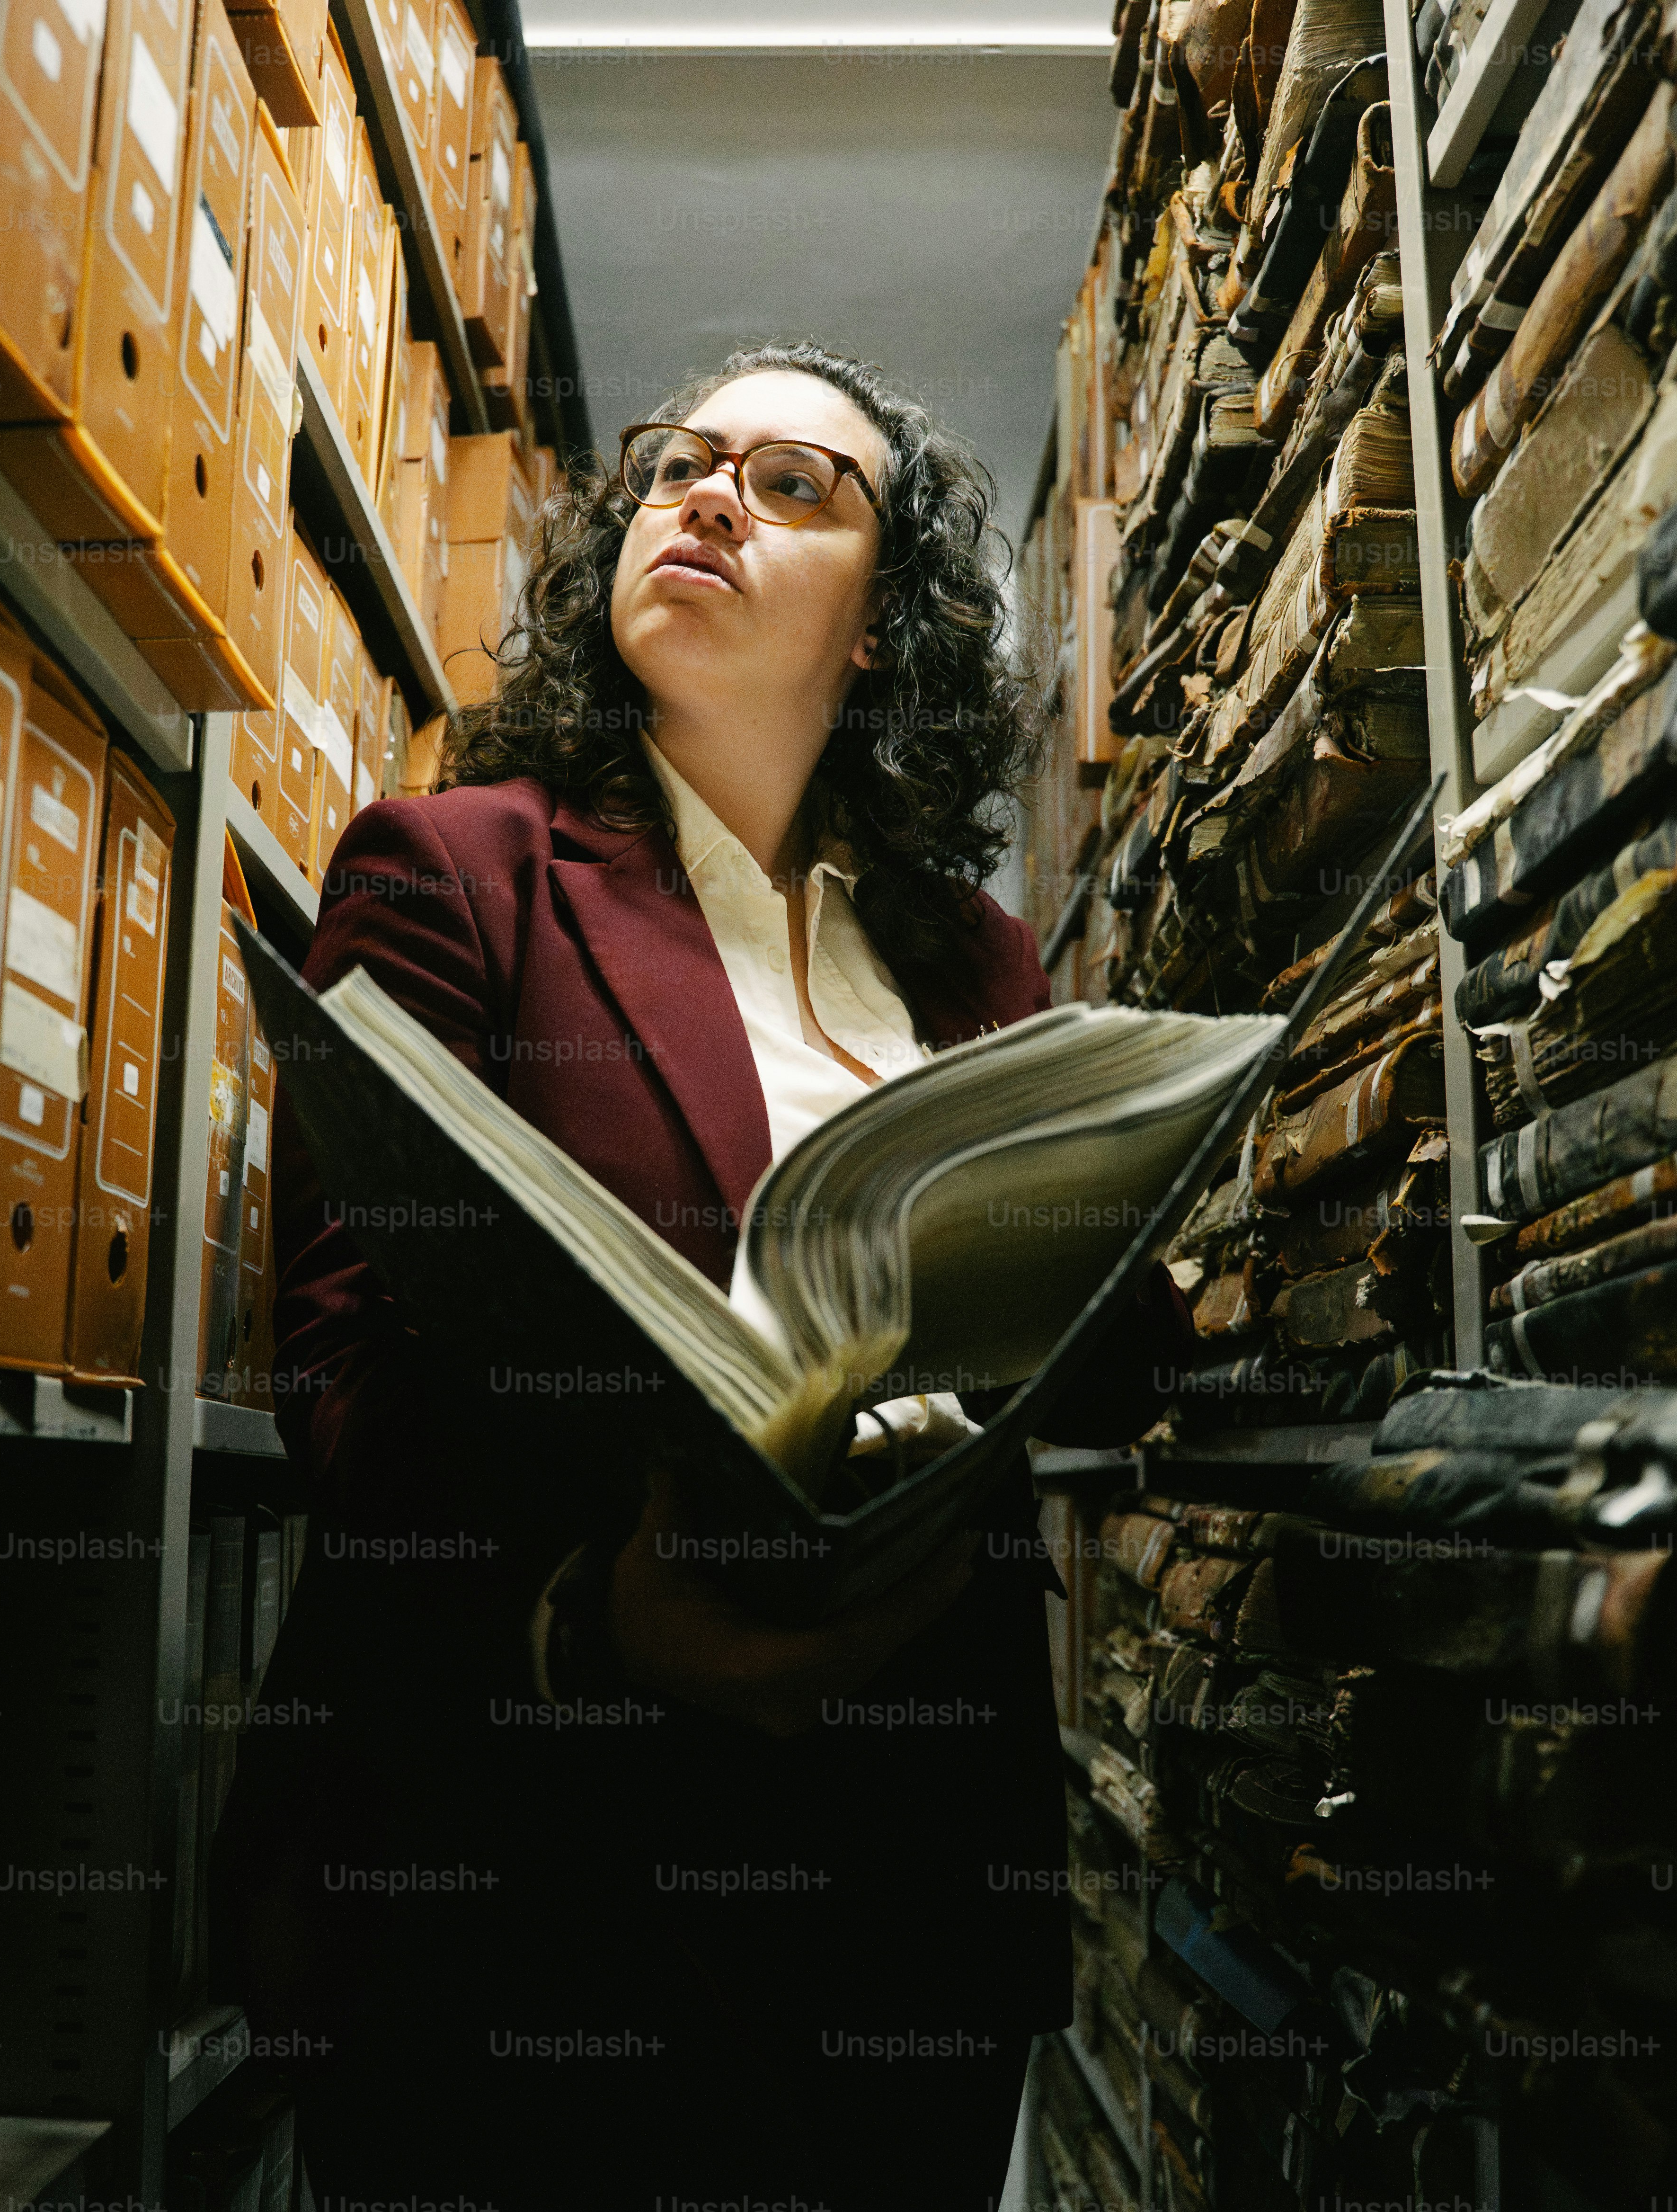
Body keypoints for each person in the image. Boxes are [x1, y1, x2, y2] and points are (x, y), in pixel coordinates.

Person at [221, 340, 1193, 2210]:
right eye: (680, 466)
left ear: (886, 636)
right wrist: (588, 1615)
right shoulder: (457, 875)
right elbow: (344, 1370)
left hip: (900, 1900)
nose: (712, 497)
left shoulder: (980, 966)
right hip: (531, 1875)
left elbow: (1086, 1350)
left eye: (797, 483)